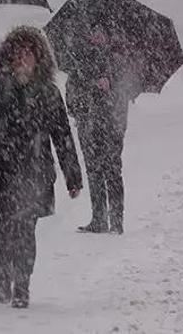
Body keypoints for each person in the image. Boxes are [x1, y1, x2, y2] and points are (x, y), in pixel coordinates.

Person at [0, 26, 83, 309]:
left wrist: (73, 176)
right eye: (18, 52)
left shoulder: (49, 92)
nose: (23, 58)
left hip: (33, 173)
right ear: (9, 55)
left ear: (38, 58)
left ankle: (23, 284)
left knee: (25, 231)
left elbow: (62, 136)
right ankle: (4, 274)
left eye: (29, 53)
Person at [66, 23, 135, 235]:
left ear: (107, 35)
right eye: (92, 32)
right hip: (88, 124)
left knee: (112, 170)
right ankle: (98, 219)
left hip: (112, 124)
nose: (96, 37)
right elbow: (72, 92)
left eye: (100, 32)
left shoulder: (118, 60)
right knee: (94, 171)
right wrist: (86, 95)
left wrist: (111, 84)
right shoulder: (79, 60)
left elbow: (128, 91)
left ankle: (116, 221)